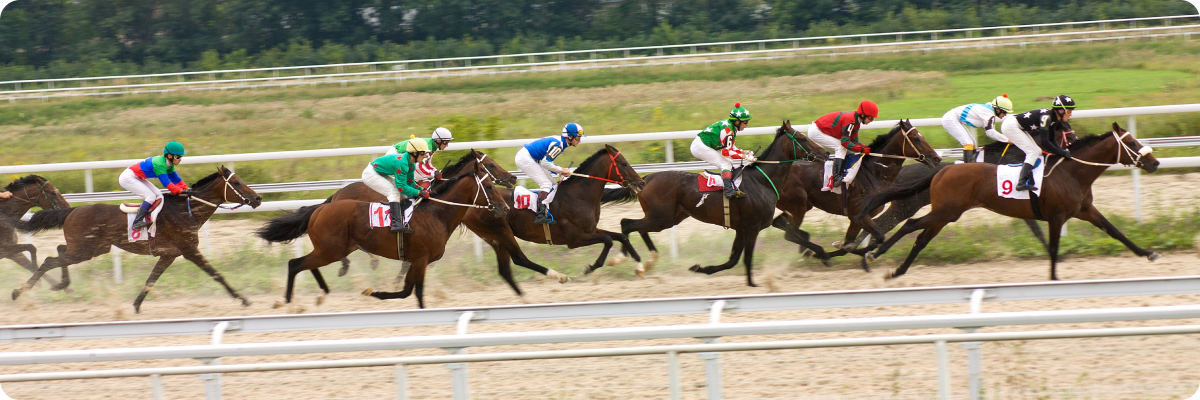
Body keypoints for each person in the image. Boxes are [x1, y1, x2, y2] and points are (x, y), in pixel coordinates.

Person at [999, 95, 1076, 191]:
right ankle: (1021, 182)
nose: (1070, 114)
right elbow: (1045, 142)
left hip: (1016, 126)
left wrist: (1061, 151)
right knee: (1033, 152)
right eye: (1069, 111)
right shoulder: (1047, 118)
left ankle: (1027, 178)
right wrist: (1062, 153)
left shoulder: (1054, 119)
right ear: (1061, 110)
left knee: (1037, 151)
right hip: (1010, 126)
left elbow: (1052, 139)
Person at [515, 122, 584, 224]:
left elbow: (546, 162)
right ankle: (540, 215)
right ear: (569, 137)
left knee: (552, 184)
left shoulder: (561, 142)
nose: (579, 141)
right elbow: (546, 163)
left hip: (533, 158)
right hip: (525, 158)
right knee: (546, 184)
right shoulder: (559, 145)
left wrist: (558, 171)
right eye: (577, 138)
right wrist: (561, 170)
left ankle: (550, 211)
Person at [363, 139, 431, 233]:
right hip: (370, 174)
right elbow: (402, 187)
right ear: (415, 153)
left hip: (379, 172)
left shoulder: (411, 164)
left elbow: (410, 182)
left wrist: (421, 188)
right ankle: (396, 224)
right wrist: (418, 192)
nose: (425, 156)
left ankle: (400, 214)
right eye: (423, 153)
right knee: (394, 192)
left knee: (403, 196)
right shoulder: (403, 163)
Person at [691, 102, 755, 198]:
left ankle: (730, 186)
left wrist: (742, 151)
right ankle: (728, 190)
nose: (746, 125)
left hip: (704, 144)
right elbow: (726, 152)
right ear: (737, 122)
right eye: (745, 122)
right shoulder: (728, 130)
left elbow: (730, 147)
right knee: (726, 164)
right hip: (700, 146)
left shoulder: (731, 127)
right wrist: (745, 157)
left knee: (729, 161)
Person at [120, 141, 189, 229]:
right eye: (177, 156)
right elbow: (166, 183)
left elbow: (176, 179)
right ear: (169, 156)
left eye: (180, 156)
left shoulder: (170, 164)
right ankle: (137, 221)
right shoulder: (160, 164)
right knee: (151, 196)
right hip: (127, 178)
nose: (180, 159)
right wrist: (181, 191)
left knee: (158, 194)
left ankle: (153, 217)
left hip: (137, 177)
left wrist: (186, 189)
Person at [808, 100, 879, 186]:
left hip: (823, 130)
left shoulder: (856, 122)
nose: (871, 121)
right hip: (816, 131)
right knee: (841, 147)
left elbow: (854, 141)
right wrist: (862, 149)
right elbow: (845, 143)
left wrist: (865, 147)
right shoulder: (850, 120)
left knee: (845, 149)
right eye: (870, 118)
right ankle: (836, 177)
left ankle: (843, 172)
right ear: (863, 115)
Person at [942, 94, 1013, 163]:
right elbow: (990, 132)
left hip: (954, 118)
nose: (1005, 114)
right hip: (950, 119)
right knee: (968, 143)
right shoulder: (988, 114)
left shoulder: (988, 111)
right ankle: (968, 166)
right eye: (1004, 112)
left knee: (973, 143)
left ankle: (970, 163)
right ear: (997, 109)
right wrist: (1007, 140)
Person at [386, 127, 453, 187]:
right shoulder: (428, 148)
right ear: (438, 140)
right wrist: (433, 174)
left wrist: (435, 171)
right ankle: (411, 198)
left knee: (423, 176)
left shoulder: (432, 146)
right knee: (420, 178)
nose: (447, 145)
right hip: (395, 155)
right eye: (445, 142)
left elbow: (427, 164)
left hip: (400, 155)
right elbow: (418, 166)